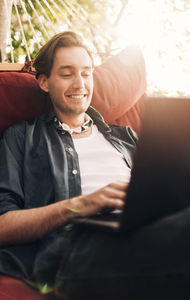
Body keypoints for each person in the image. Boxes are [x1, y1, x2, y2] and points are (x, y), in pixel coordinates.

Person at [0, 31, 137, 296]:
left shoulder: (127, 137)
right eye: (66, 74)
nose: (80, 84)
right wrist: (83, 205)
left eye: (86, 73)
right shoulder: (21, 138)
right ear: (44, 82)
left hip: (143, 233)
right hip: (76, 252)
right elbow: (3, 226)